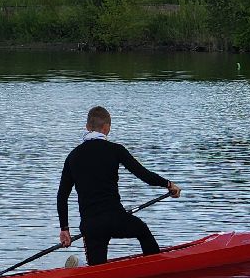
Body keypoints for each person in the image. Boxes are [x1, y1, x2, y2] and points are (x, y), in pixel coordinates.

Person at [57, 106, 181, 266]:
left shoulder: (72, 157)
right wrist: (168, 184)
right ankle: (157, 268)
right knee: (142, 231)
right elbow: (144, 175)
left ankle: (88, 273)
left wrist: (64, 229)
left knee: (97, 270)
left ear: (87, 127)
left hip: (91, 226)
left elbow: (62, 196)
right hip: (115, 219)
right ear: (107, 128)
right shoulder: (115, 150)